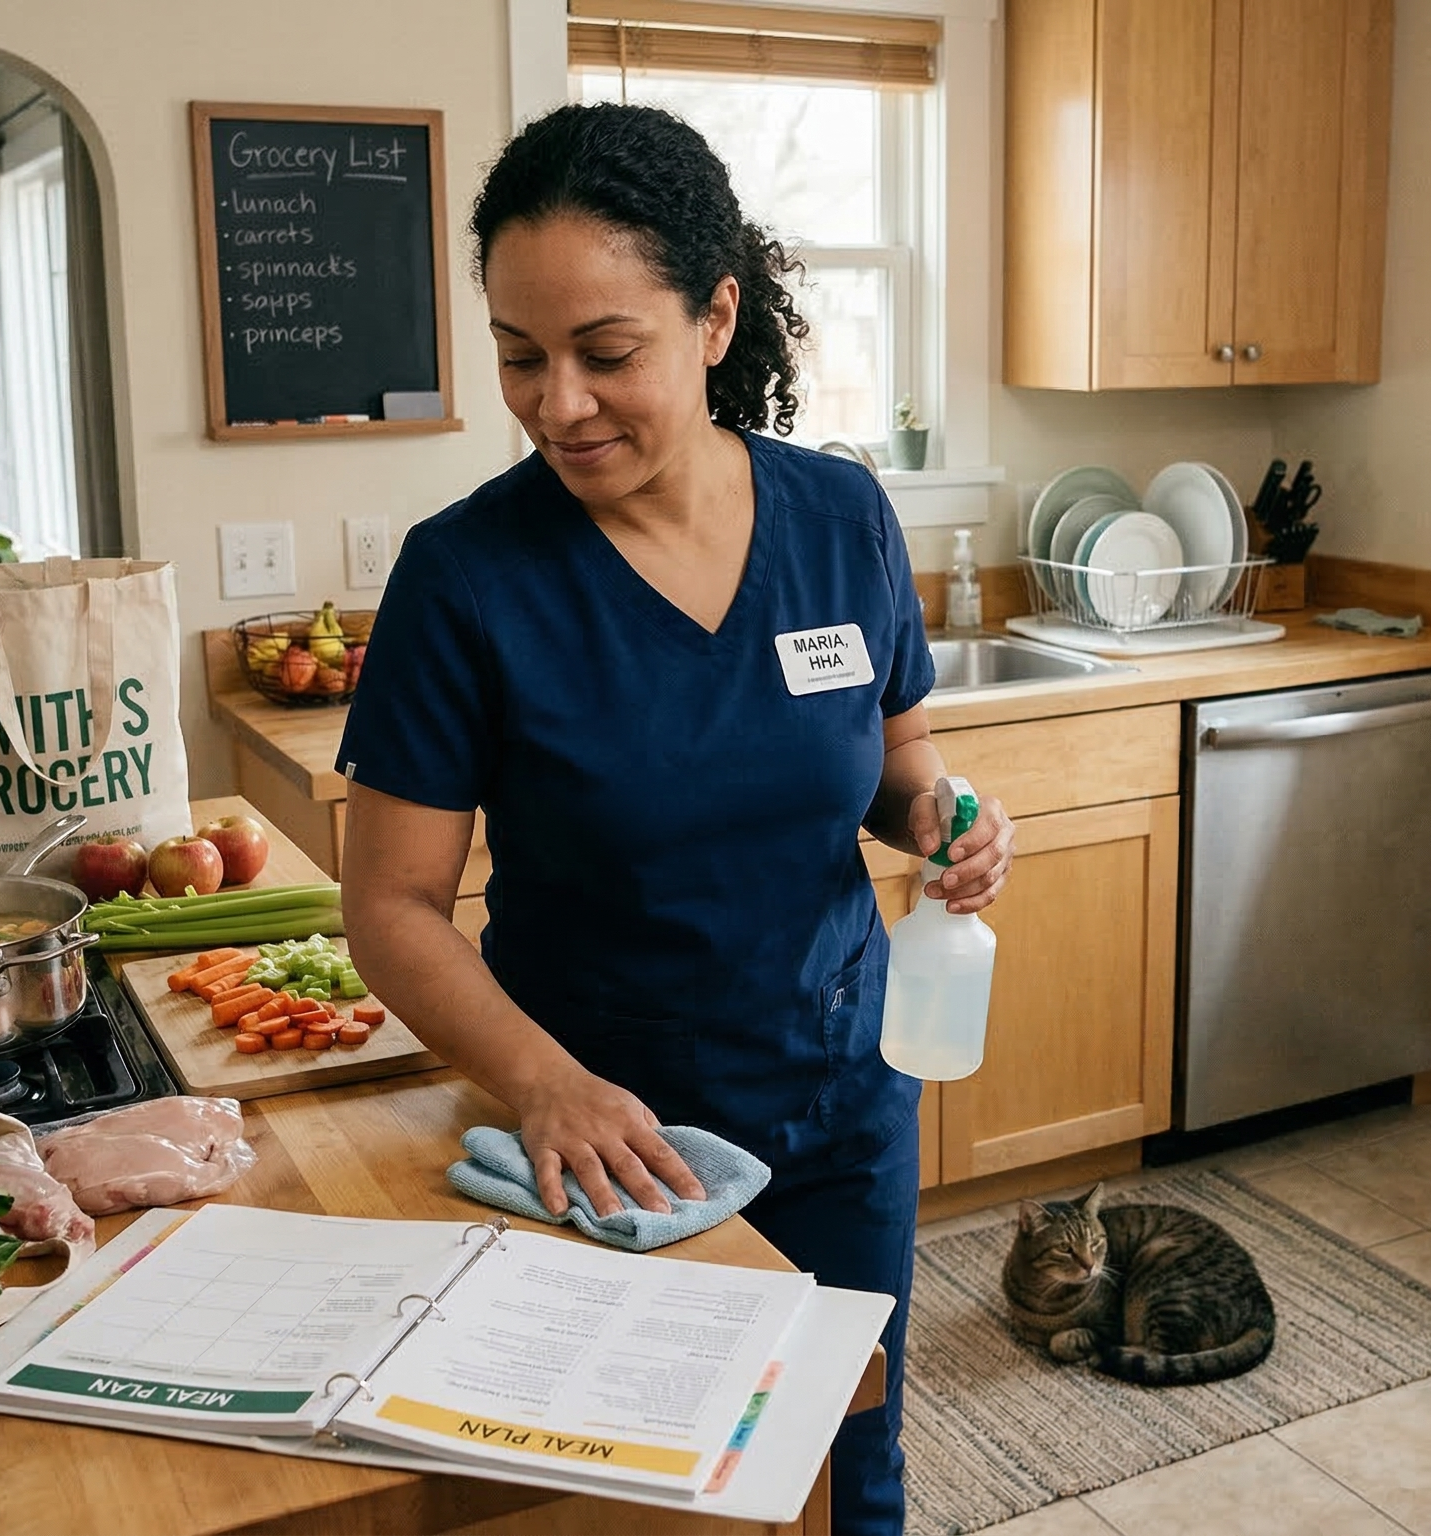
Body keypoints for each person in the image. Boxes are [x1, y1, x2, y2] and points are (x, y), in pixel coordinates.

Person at [336, 102, 1013, 1536]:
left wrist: (946, 817)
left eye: (605, 353)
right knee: (641, 1494)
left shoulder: (842, 517)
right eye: (521, 356)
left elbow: (899, 768)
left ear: (715, 317)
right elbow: (389, 908)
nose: (556, 401)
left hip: (841, 1098)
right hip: (608, 1141)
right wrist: (542, 1086)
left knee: (849, 1452)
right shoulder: (467, 581)